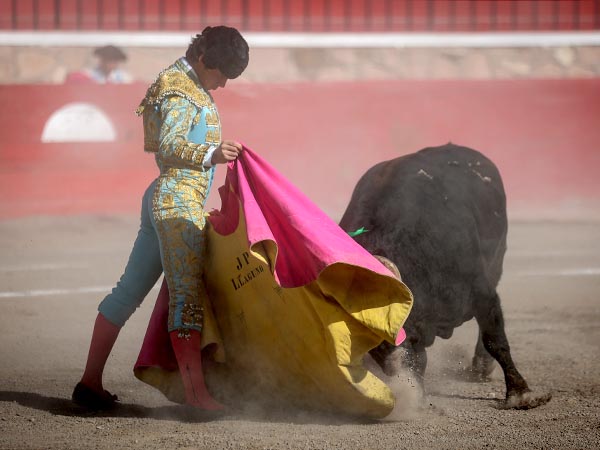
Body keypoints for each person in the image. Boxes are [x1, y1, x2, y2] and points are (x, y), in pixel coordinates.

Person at [71, 26, 250, 411]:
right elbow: (169, 145)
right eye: (220, 74)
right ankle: (196, 395)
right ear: (204, 59)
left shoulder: (180, 81)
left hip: (165, 197)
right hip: (178, 203)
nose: (222, 83)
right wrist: (212, 154)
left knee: (127, 293)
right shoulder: (181, 88)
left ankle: (90, 383)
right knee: (185, 299)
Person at [65, 45, 132, 84]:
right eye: (108, 59)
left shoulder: (124, 78)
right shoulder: (88, 74)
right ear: (102, 60)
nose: (111, 63)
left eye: (114, 60)